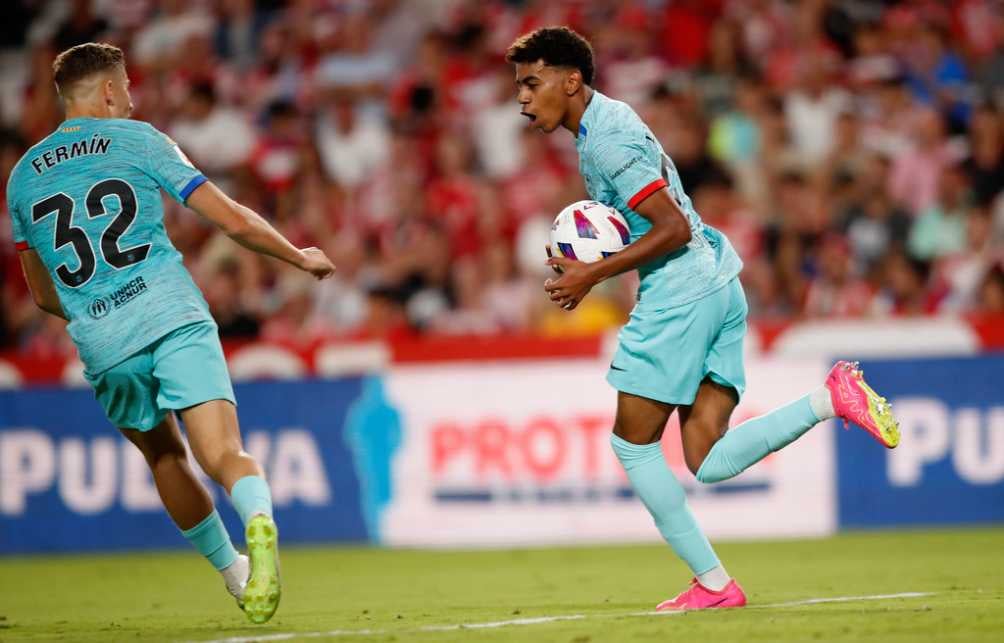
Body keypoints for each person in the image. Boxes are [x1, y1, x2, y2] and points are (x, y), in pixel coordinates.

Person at [507, 26, 900, 611]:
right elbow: (643, 221)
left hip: (679, 293)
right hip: (719, 282)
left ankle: (715, 585)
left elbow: (672, 227)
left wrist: (593, 274)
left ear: (571, 81)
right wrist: (586, 258)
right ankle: (831, 398)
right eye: (519, 86)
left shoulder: (606, 141)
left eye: (531, 83)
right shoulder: (607, 122)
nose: (521, 97)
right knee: (706, 459)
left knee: (634, 447)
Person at [5, 43, 336, 624]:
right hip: (171, 314)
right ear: (108, 91)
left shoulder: (23, 176)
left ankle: (235, 576)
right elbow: (230, 217)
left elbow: (39, 293)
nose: (132, 96)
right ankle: (257, 519)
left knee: (164, 457)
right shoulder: (140, 139)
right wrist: (297, 257)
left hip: (104, 342)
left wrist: (95, 307)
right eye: (127, 85)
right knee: (224, 453)